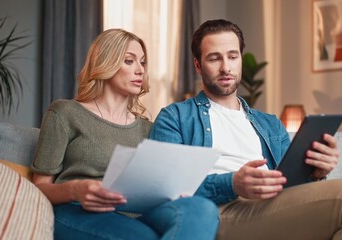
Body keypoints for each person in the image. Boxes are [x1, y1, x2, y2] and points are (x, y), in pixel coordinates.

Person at [150, 19, 342, 239]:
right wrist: (233, 183)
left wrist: (316, 173)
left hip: (274, 205)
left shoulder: (268, 122)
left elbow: (293, 186)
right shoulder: (176, 117)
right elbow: (165, 188)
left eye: (233, 56)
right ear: (198, 65)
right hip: (220, 211)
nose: (226, 67)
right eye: (215, 58)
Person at [31, 29, 219, 240]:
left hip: (135, 215)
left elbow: (154, 186)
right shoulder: (65, 113)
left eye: (143, 62)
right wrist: (75, 189)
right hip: (77, 211)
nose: (140, 70)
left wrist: (175, 194)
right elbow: (39, 187)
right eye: (129, 61)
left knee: (201, 208)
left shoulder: (148, 129)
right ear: (106, 62)